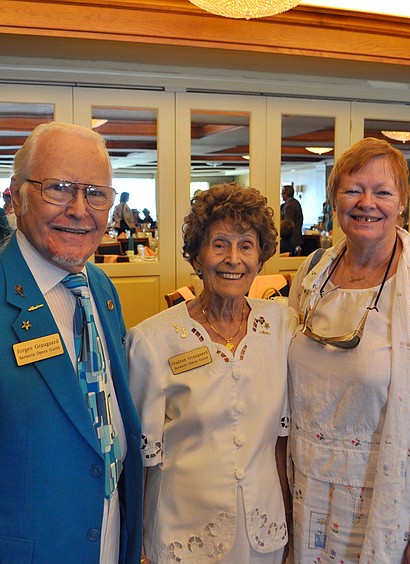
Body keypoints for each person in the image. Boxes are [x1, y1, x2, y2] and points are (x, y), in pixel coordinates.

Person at [0, 122, 143, 563]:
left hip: (110, 537)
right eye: (58, 188)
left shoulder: (101, 289)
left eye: (96, 193)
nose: (79, 210)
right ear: (16, 196)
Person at [288, 138, 410, 562]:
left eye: (383, 192)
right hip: (305, 490)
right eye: (353, 189)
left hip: (383, 501)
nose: (366, 203)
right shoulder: (314, 271)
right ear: (335, 199)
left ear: (402, 202)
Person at [127, 182, 293, 564]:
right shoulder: (153, 341)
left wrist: (287, 521)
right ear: (197, 255)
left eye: (246, 246)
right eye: (219, 244)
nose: (233, 258)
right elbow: (140, 459)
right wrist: (136, 542)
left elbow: (281, 443)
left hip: (262, 534)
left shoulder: (282, 327)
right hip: (183, 536)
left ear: (260, 258)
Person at [280, 184, 303, 255]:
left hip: (290, 241)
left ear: (286, 194)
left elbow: (287, 225)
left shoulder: (289, 206)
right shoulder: (296, 203)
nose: (281, 195)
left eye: (282, 193)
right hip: (296, 238)